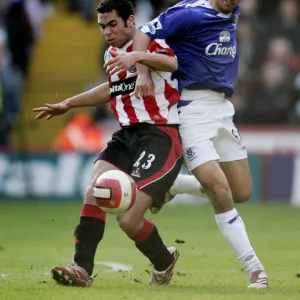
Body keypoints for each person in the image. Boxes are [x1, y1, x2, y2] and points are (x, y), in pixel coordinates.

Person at [33, 0, 202, 288]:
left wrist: (137, 57)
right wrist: (68, 104)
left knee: (129, 221)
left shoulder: (154, 41)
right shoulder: (112, 53)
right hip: (126, 136)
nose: (107, 32)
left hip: (160, 135)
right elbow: (112, 88)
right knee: (95, 190)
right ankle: (81, 269)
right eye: (102, 27)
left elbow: (175, 64)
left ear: (130, 21)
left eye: (113, 24)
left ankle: (163, 261)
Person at [105, 0, 268, 289]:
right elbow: (144, 32)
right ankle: (254, 268)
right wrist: (142, 69)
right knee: (219, 191)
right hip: (192, 110)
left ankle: (174, 184)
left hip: (222, 109)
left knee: (241, 191)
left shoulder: (233, 10)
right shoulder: (188, 13)